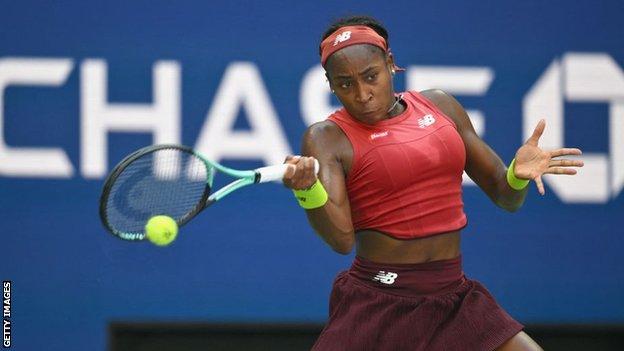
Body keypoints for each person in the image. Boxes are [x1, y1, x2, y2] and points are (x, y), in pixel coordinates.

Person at [282, 15, 583, 351]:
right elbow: (341, 240)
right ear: (330, 84)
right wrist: (308, 190)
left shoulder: (440, 106)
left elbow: (506, 196)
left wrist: (516, 174)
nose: (363, 94)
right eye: (345, 84)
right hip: (380, 300)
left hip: (453, 297)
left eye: (371, 77)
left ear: (390, 63)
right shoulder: (326, 137)